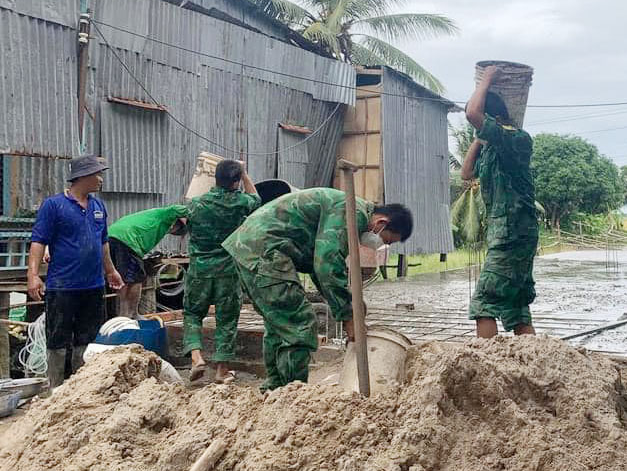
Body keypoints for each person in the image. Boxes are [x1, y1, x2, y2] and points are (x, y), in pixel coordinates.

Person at [222, 188, 412, 390]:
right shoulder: (351, 211)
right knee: (299, 323)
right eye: (386, 240)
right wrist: (348, 315)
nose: (380, 244)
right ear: (381, 223)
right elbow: (326, 265)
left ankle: (275, 389)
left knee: (279, 323)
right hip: (266, 251)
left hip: (249, 247)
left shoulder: (349, 207)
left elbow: (317, 265)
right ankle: (292, 393)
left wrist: (349, 306)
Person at [27, 155, 124, 387]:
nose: (100, 179)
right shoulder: (54, 205)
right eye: (97, 175)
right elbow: (39, 241)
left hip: (93, 285)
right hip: (62, 286)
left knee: (87, 338)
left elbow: (103, 242)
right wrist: (33, 275)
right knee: (57, 339)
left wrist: (111, 271)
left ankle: (81, 387)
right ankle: (55, 388)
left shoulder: (98, 206)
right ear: (83, 177)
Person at [461, 64, 539, 339]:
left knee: (485, 301)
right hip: (512, 233)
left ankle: (487, 367)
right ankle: (530, 361)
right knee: (517, 307)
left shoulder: (517, 140)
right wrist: (480, 139)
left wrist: (487, 80)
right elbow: (466, 173)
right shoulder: (493, 147)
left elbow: (473, 113)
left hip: (513, 233)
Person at [183, 160, 260, 384]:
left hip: (199, 269)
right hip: (228, 270)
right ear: (236, 182)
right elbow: (257, 199)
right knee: (226, 319)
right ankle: (221, 371)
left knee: (192, 314)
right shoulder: (240, 202)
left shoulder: (195, 204)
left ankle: (196, 357)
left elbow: (180, 227)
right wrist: (245, 173)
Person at [107, 205, 188, 319]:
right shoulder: (166, 215)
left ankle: (123, 315)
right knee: (136, 279)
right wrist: (196, 212)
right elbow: (177, 209)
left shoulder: (151, 217)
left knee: (123, 278)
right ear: (175, 224)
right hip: (128, 239)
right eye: (175, 230)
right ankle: (132, 314)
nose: (171, 232)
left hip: (112, 236)